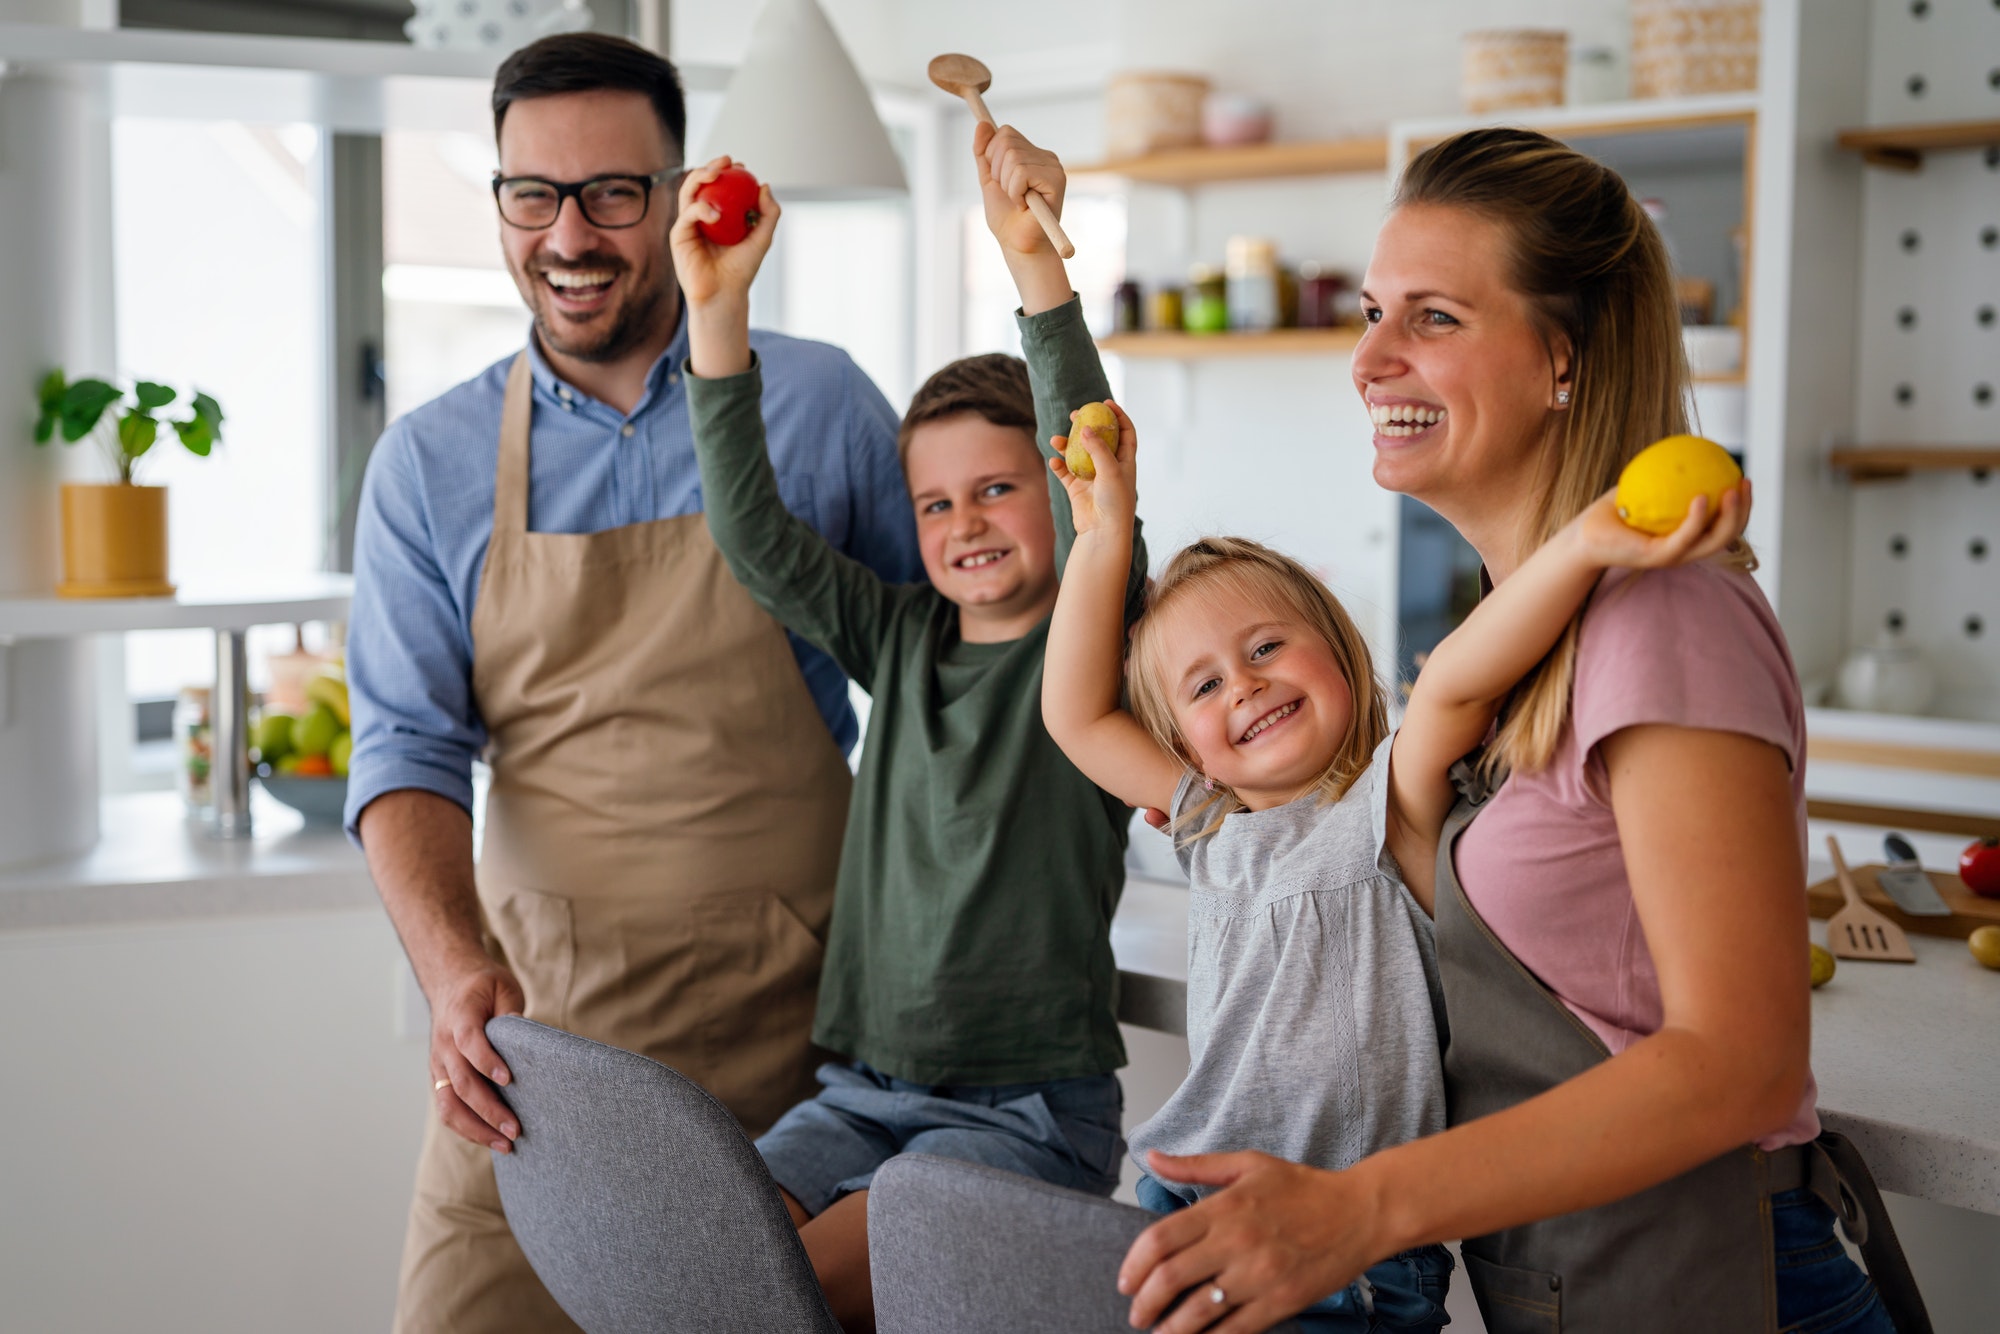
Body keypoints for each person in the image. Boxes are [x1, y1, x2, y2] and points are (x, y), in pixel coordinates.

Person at [1113, 127, 1916, 1334]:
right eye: (1373, 310)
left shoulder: (1662, 614)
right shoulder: (1524, 629)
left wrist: (1361, 1207)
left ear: (1562, 359)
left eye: (1431, 317)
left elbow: (1737, 1057)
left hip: (1722, 1286)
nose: (1369, 357)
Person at [1039, 233, 1748, 1333]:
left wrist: (1582, 545)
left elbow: (1459, 682)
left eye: (1268, 648)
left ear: (1339, 649)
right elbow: (1074, 712)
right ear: (1182, 735)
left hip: (1348, 1246)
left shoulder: (1391, 801)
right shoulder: (1205, 820)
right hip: (1185, 1198)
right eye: (1205, 685)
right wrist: (1104, 529)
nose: (1245, 688)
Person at [342, 34, 920, 1333]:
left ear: (678, 193)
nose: (570, 234)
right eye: (532, 194)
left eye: (613, 192)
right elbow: (405, 749)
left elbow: (948, 675)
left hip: (808, 1051)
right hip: (542, 1056)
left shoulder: (819, 405)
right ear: (498, 198)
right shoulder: (427, 463)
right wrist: (450, 973)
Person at [669, 127, 1147, 1332]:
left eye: (996, 487)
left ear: (1057, 491)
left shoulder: (1093, 645)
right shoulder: (897, 637)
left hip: (1027, 1111)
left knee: (791, 1302)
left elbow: (1088, 429)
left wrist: (1030, 257)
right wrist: (716, 317)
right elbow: (751, 535)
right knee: (712, 1267)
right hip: (859, 1095)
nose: (964, 521)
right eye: (934, 502)